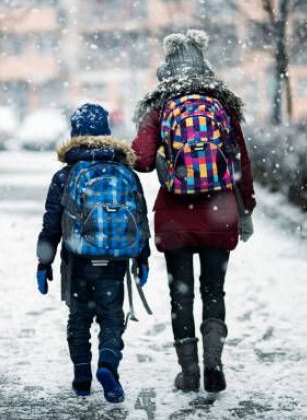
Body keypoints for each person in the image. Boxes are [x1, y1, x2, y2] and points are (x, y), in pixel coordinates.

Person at [131, 30, 256, 393]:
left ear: (166, 68)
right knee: (214, 291)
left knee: (181, 295)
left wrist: (158, 156)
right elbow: (241, 164)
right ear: (205, 65)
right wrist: (245, 206)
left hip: (175, 217)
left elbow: (139, 158)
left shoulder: (160, 106)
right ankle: (214, 365)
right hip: (220, 211)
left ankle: (189, 373)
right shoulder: (222, 105)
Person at [36, 103, 150, 403]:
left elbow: (51, 223)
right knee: (111, 317)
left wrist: (43, 262)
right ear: (106, 133)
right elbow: (139, 216)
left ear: (74, 133)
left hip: (78, 261)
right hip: (114, 260)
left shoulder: (66, 174)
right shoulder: (124, 170)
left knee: (80, 318)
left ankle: (82, 376)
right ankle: (108, 364)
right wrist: (142, 257)